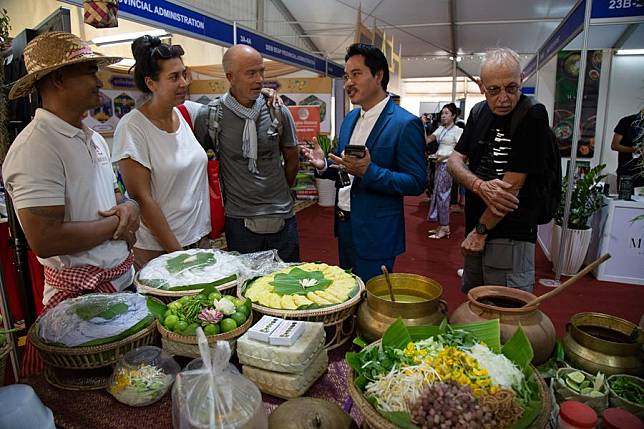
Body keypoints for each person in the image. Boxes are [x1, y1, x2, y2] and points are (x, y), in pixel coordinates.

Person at [2, 32, 140, 376]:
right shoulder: (36, 147)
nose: (98, 80)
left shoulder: (92, 137)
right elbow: (46, 237)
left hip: (119, 283)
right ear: (59, 79)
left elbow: (111, 194)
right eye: (89, 71)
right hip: (81, 302)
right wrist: (118, 223)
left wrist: (128, 206)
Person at [301, 43, 426, 282]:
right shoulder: (349, 119)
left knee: (372, 305)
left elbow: (417, 182)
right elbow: (345, 170)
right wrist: (325, 166)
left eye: (356, 74)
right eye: (346, 76)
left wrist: (370, 172)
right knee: (349, 292)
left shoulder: (404, 123)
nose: (348, 83)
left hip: (377, 232)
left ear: (378, 76)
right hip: (345, 225)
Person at [447, 48, 551, 293]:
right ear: (482, 86)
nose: (503, 98)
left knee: (505, 311)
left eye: (511, 88)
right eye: (494, 90)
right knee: (474, 302)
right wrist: (479, 186)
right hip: (475, 226)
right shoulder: (478, 112)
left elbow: (510, 189)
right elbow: (453, 160)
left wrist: (481, 231)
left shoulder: (533, 114)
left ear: (522, 80)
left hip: (510, 233)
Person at [193, 45, 300, 262]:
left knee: (289, 281)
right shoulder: (210, 116)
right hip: (238, 219)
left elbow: (292, 158)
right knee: (246, 285)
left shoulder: (277, 110)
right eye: (251, 73)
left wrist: (281, 191)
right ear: (230, 77)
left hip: (281, 214)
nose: (260, 79)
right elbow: (198, 162)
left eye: (262, 71)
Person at [112, 36, 211, 269]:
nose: (184, 83)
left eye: (184, 74)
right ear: (151, 83)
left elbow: (227, 105)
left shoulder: (185, 113)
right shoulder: (132, 128)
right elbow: (143, 200)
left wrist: (263, 95)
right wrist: (178, 255)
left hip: (198, 239)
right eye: (174, 77)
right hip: (161, 251)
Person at [426, 103, 463, 239]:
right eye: (442, 113)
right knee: (437, 193)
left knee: (443, 195)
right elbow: (428, 140)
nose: (443, 116)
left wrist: (445, 156)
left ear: (453, 115)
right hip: (438, 163)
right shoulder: (440, 129)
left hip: (448, 164)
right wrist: (420, 126)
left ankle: (445, 227)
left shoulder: (458, 131)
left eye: (446, 113)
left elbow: (461, 151)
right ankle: (441, 225)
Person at [611, 109, 644, 189]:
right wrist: (635, 149)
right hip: (627, 172)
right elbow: (614, 145)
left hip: (642, 174)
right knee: (624, 200)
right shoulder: (627, 121)